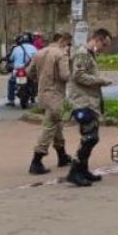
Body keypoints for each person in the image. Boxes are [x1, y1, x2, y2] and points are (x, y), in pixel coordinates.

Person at [66, 28, 115, 188]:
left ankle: (83, 169)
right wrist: (100, 80)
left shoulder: (89, 54)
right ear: (98, 40)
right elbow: (78, 76)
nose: (104, 49)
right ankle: (75, 171)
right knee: (89, 137)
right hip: (82, 102)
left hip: (90, 102)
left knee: (92, 136)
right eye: (104, 45)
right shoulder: (82, 54)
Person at [26, 32, 73, 175]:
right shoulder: (60, 54)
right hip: (56, 94)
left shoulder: (39, 53)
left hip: (43, 93)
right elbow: (65, 76)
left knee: (56, 123)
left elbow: (29, 72)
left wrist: (41, 79)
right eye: (68, 43)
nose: (68, 46)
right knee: (50, 126)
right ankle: (37, 160)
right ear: (63, 40)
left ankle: (62, 155)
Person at [5, 33, 38, 107]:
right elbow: (38, 59)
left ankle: (11, 100)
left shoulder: (16, 48)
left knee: (11, 82)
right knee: (35, 81)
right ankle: (33, 97)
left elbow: (10, 59)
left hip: (18, 70)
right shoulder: (34, 48)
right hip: (30, 70)